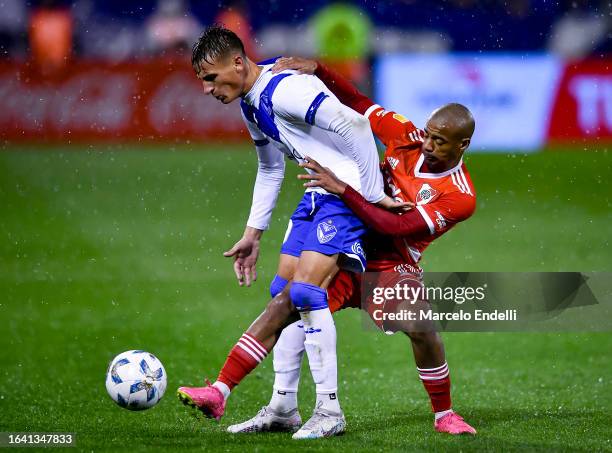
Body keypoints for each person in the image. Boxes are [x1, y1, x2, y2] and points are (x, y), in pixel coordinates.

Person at [224, 57, 478, 436]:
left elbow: (395, 225)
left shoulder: (459, 196)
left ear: (463, 145)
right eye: (427, 133)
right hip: (349, 242)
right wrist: (321, 71)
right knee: (291, 301)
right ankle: (269, 402)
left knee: (422, 326)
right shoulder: (405, 135)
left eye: (439, 141)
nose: (426, 144)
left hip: (392, 262)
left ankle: (445, 415)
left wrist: (343, 188)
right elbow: (359, 104)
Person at [177, 26, 402, 439]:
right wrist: (253, 233)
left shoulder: (284, 91)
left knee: (305, 293)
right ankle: (282, 406)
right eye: (202, 81)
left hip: (345, 192)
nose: (207, 89)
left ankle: (330, 410)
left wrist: (371, 195)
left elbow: (355, 125)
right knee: (283, 292)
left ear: (238, 63)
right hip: (316, 194)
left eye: (211, 77)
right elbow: (269, 168)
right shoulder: (251, 104)